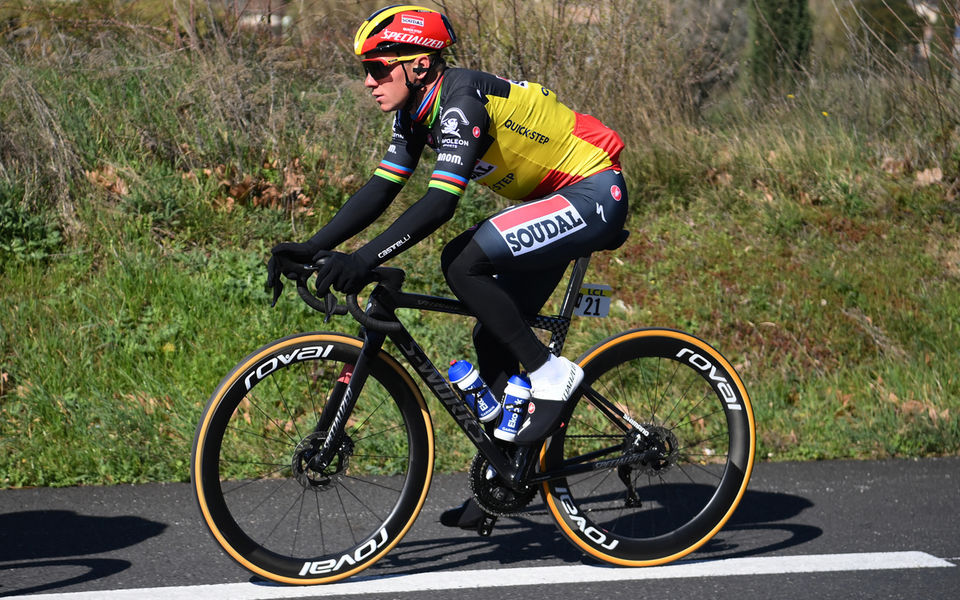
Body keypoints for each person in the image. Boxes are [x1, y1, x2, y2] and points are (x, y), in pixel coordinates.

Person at [265, 4, 628, 528]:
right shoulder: (417, 111)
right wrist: (311, 246)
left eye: (377, 68)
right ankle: (504, 481)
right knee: (493, 335)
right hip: (555, 199)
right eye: (365, 70)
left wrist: (364, 259)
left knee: (462, 261)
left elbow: (440, 204)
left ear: (418, 65)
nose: (368, 82)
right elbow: (382, 187)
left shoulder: (461, 103)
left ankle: (552, 374)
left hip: (593, 192)